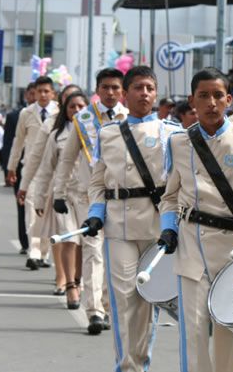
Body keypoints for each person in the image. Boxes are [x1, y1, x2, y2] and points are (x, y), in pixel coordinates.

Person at [158, 68, 233, 372]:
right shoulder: (178, 142)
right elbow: (169, 197)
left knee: (229, 330)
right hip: (192, 244)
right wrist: (168, 228)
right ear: (192, 101)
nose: (211, 103)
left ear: (229, 99)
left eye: (218, 95)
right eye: (203, 96)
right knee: (194, 331)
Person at [82, 66, 181, 372]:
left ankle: (139, 363)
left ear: (156, 93)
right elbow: (97, 182)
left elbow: (178, 185)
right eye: (138, 88)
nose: (144, 94)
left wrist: (172, 226)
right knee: (123, 300)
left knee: (147, 301)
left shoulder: (171, 133)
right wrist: (95, 214)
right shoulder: (108, 133)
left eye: (150, 88)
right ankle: (127, 366)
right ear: (125, 94)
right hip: (118, 227)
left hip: (156, 228)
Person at [54, 67, 127, 335]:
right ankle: (94, 310)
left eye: (115, 87)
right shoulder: (83, 119)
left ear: (123, 91)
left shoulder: (128, 118)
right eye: (105, 87)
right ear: (97, 90)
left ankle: (107, 307)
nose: (110, 92)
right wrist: (59, 193)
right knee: (93, 250)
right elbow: (67, 159)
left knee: (114, 254)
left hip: (122, 198)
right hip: (90, 197)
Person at [34, 91, 89, 307]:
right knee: (69, 239)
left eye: (81, 106)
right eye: (72, 107)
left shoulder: (96, 134)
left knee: (84, 242)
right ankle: (70, 286)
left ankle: (78, 280)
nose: (76, 110)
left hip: (88, 196)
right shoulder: (56, 135)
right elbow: (45, 169)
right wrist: (39, 199)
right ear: (65, 110)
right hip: (63, 196)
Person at [6, 76, 59, 270]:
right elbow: (18, 141)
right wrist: (11, 167)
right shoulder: (26, 113)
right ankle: (34, 252)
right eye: (39, 91)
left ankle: (44, 253)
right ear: (33, 93)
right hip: (32, 169)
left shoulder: (61, 112)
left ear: (53, 93)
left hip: (55, 170)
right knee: (32, 211)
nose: (43, 95)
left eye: (46, 91)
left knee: (49, 213)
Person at [2, 83, 36, 254]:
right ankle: (25, 242)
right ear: (26, 96)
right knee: (23, 204)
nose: (36, 96)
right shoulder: (15, 116)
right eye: (32, 93)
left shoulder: (55, 114)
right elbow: (9, 143)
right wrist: (9, 168)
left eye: (43, 92)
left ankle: (39, 247)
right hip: (22, 167)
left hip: (45, 169)